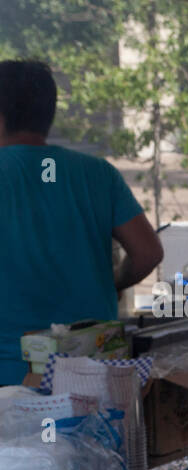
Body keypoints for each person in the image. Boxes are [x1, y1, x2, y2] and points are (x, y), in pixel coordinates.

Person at [0, 60, 163, 385]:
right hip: (93, 378)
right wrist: (113, 282)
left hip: (11, 383)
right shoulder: (98, 173)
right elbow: (148, 253)